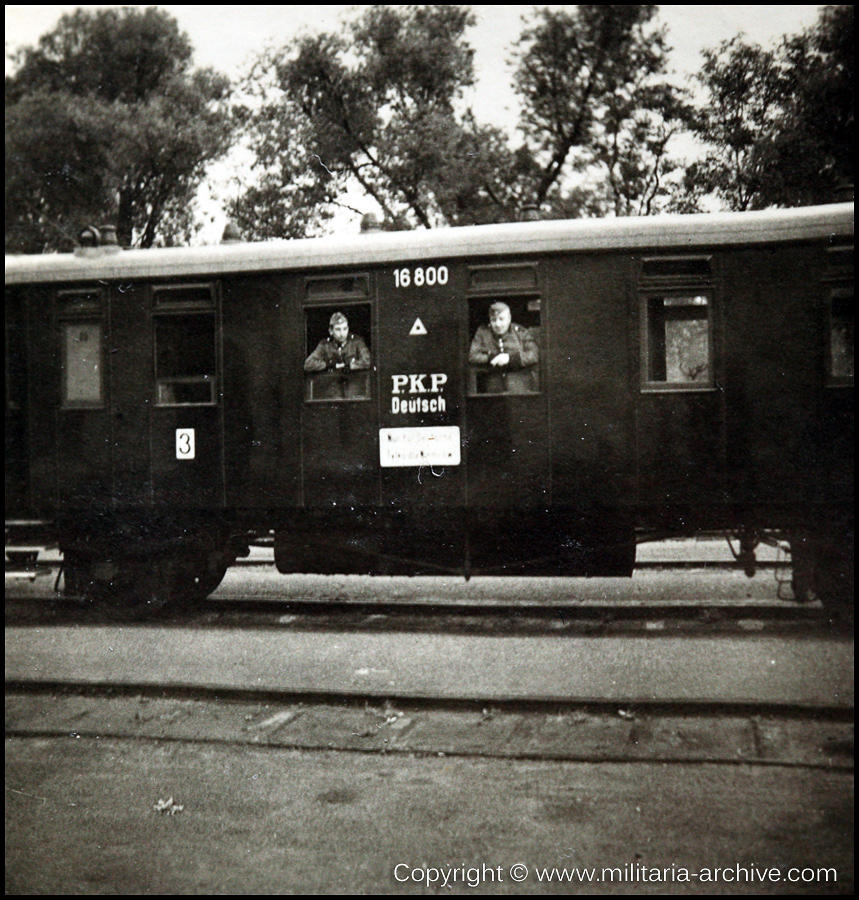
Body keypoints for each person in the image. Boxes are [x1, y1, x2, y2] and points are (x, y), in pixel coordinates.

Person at [468, 302, 539, 394]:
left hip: (520, 388)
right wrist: (491, 358)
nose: (497, 324)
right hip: (493, 388)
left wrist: (510, 358)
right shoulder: (483, 333)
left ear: (509, 318)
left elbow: (534, 354)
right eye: (493, 320)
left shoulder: (520, 332)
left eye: (501, 319)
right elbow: (472, 356)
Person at [304, 312, 371, 398]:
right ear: (331, 331)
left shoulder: (357, 342)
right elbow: (308, 364)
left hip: (354, 394)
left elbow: (368, 360)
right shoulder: (325, 345)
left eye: (345, 328)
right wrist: (328, 364)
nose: (342, 333)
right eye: (338, 329)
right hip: (333, 395)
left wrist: (351, 366)